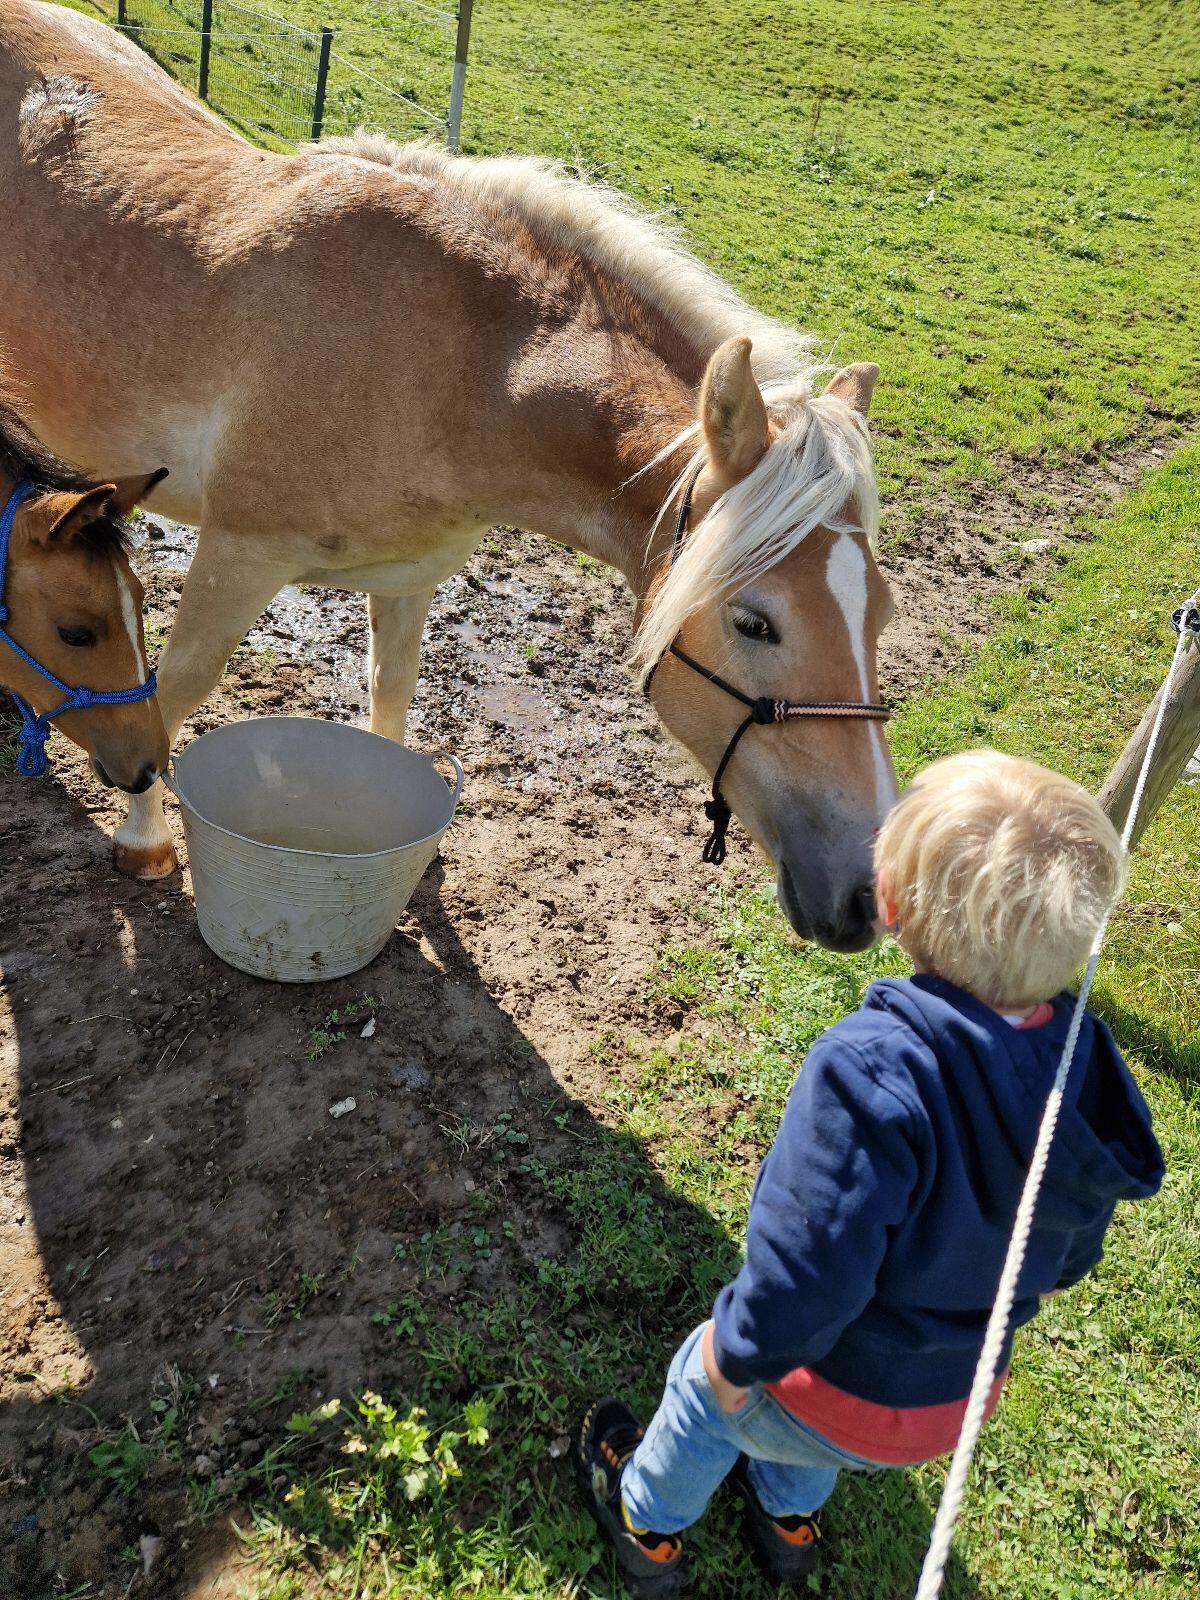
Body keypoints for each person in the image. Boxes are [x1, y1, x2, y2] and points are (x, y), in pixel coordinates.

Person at [577, 750, 1164, 1596]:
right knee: (815, 1429)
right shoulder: (1082, 1081)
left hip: (827, 1392)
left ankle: (647, 1521)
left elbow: (806, 1276)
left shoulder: (872, 1074)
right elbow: (1069, 1258)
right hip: (947, 1405)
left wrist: (735, 1360)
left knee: (705, 1393)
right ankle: (786, 1519)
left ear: (888, 904)